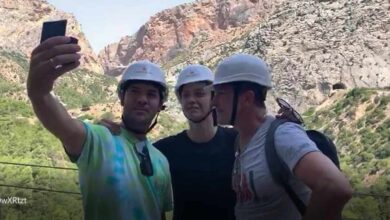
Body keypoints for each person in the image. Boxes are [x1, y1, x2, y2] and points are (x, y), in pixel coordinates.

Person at [27, 36, 173, 220]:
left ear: (160, 105)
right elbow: (61, 122)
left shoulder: (162, 160)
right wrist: (38, 92)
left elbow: (159, 212)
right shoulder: (97, 140)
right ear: (122, 98)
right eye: (135, 91)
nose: (142, 99)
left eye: (151, 94)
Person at [212, 54, 353, 220]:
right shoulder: (240, 141)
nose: (213, 101)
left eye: (220, 94)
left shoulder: (283, 135)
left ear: (246, 98)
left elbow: (335, 187)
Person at [101, 64, 237, 220]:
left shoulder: (237, 141)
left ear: (213, 98)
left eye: (199, 94)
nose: (191, 100)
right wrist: (116, 134)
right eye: (186, 95)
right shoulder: (163, 151)